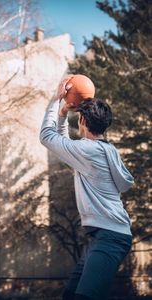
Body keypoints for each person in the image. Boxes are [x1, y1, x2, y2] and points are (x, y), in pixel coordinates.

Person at [39, 76, 134, 300]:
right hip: (106, 235)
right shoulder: (106, 150)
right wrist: (62, 115)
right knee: (70, 296)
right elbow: (65, 145)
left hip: (111, 237)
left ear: (82, 121)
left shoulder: (88, 151)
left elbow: (47, 136)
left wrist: (56, 102)